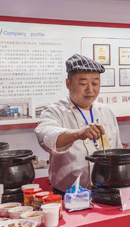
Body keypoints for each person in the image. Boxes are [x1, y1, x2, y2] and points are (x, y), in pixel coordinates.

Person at [35, 54, 122, 193]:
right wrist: (78, 134)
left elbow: (117, 150)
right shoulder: (55, 111)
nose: (90, 89)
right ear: (68, 83)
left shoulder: (106, 111)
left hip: (106, 191)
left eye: (95, 83)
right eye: (83, 84)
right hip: (68, 195)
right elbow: (46, 137)